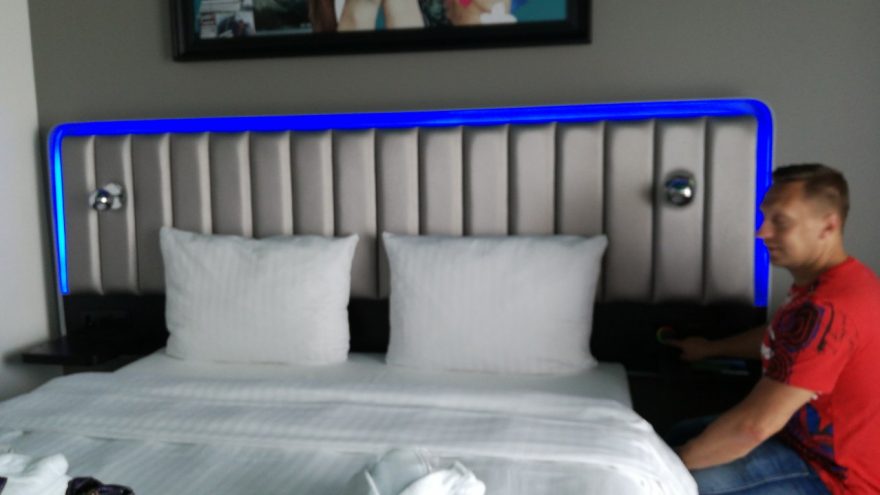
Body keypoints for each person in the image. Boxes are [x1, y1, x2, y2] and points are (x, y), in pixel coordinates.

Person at [665, 164, 880, 494]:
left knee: (675, 482)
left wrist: (659, 472)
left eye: (781, 221)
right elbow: (786, 341)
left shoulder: (829, 309)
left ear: (828, 225)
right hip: (796, 439)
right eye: (765, 217)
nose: (761, 232)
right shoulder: (828, 285)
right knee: (679, 435)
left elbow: (752, 428)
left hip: (834, 478)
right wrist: (710, 349)